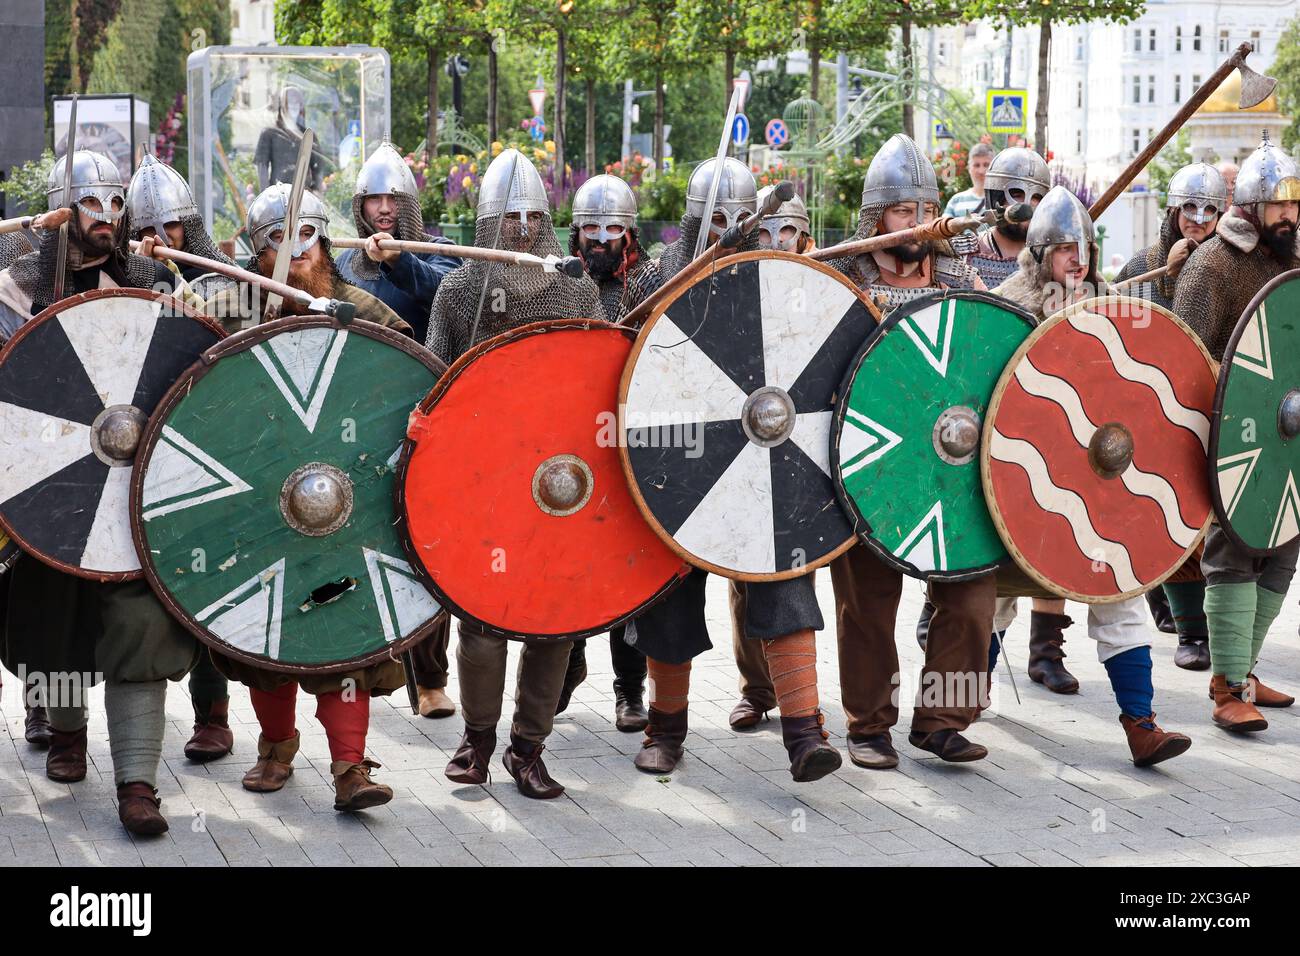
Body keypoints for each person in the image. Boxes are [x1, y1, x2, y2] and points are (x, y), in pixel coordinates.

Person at [620, 157, 843, 783]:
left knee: (785, 575)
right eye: (720, 222)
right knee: (670, 592)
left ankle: (804, 733)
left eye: (746, 222)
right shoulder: (664, 273)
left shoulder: (791, 282)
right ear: (697, 223)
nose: (737, 232)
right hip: (676, 453)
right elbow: (625, 354)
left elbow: (827, 360)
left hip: (768, 453)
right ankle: (665, 729)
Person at [0, 150, 199, 835]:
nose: (108, 218)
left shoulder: (150, 280)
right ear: (63, 210)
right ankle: (66, 732)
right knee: (53, 624)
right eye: (92, 205)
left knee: (141, 625)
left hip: (137, 487)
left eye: (116, 205)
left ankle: (138, 784)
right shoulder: (19, 286)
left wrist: (181, 289)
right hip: (49, 490)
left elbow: (199, 365)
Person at [214, 182, 411, 814]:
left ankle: (351, 766)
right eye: (277, 238)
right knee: (265, 636)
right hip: (254, 501)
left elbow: (410, 387)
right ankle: (275, 745)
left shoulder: (364, 311)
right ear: (258, 248)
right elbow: (189, 395)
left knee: (343, 635)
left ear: (325, 242)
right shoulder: (232, 307)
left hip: (344, 502)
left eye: (306, 237)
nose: (294, 252)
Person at [991, 186, 1193, 767]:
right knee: (991, 602)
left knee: (1121, 595)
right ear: (1038, 253)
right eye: (1064, 250)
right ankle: (961, 704)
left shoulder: (1109, 307)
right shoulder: (1009, 307)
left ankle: (1142, 725)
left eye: (1084, 248)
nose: (1076, 261)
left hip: (1097, 489)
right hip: (1024, 489)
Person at [427, 148, 604, 799]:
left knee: (555, 617)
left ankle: (527, 747)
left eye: (533, 216)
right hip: (486, 478)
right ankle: (476, 739)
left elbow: (599, 378)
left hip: (559, 478)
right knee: (482, 617)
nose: (523, 228)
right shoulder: (459, 291)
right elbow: (434, 385)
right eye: (509, 216)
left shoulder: (575, 289)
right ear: (487, 221)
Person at [823, 134, 994, 769]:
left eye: (926, 209)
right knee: (868, 604)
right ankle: (868, 723)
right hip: (872, 461)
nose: (917, 223)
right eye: (902, 211)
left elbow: (991, 353)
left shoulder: (958, 276)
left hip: (951, 463)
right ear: (876, 217)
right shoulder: (844, 277)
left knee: (972, 600)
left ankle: (943, 720)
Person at [1172, 134, 1300, 732]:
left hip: (1289, 431)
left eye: (1296, 204)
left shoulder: (1293, 259)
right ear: (1251, 206)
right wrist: (1245, 384)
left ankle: (1245, 671)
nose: (1291, 215)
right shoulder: (1214, 264)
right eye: (1280, 205)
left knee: (1281, 551)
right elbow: (1187, 353)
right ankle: (1225, 688)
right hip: (1234, 431)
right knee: (1236, 550)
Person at [1115, 162, 1230, 672]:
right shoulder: (1144, 266)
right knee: (1161, 506)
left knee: (1207, 514)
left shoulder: (1233, 267)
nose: (1199, 219)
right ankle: (1192, 631)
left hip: (1215, 406)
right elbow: (1112, 326)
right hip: (1153, 409)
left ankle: (1193, 615)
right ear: (1173, 211)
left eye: (1209, 210)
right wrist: (1166, 276)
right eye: (1190, 208)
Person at [557, 172, 650, 732]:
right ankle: (565, 666)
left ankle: (630, 690)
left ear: (629, 233)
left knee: (625, 576)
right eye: (590, 227)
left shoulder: (649, 282)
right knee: (564, 568)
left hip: (629, 445)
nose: (600, 238)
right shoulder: (552, 282)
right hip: (566, 445)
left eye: (613, 227)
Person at [336, 141, 460, 346]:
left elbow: (449, 294)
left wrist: (397, 258)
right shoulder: (345, 263)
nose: (384, 208)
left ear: (408, 203)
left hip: (420, 373)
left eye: (393, 198)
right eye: (375, 198)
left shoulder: (439, 251)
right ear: (361, 205)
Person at [126, 153, 246, 331]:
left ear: (188, 225)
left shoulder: (219, 278)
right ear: (137, 234)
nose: (162, 237)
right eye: (149, 229)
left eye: (171, 224)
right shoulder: (126, 276)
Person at [253, 86, 327, 192]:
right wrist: (267, 196)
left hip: (304, 196)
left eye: (296, 103)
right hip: (278, 196)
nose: (293, 106)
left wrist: (315, 193)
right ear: (282, 105)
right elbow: (262, 167)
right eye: (290, 102)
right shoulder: (269, 133)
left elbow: (318, 167)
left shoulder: (309, 136)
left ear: (301, 106)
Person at [942, 142, 995, 218]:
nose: (981, 171)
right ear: (969, 168)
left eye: (986, 165)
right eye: (976, 165)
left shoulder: (1001, 201)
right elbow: (943, 229)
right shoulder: (956, 201)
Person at [756, 185, 815, 253]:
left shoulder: (823, 262)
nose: (778, 239)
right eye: (765, 231)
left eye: (786, 228)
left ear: (801, 236)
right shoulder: (743, 262)